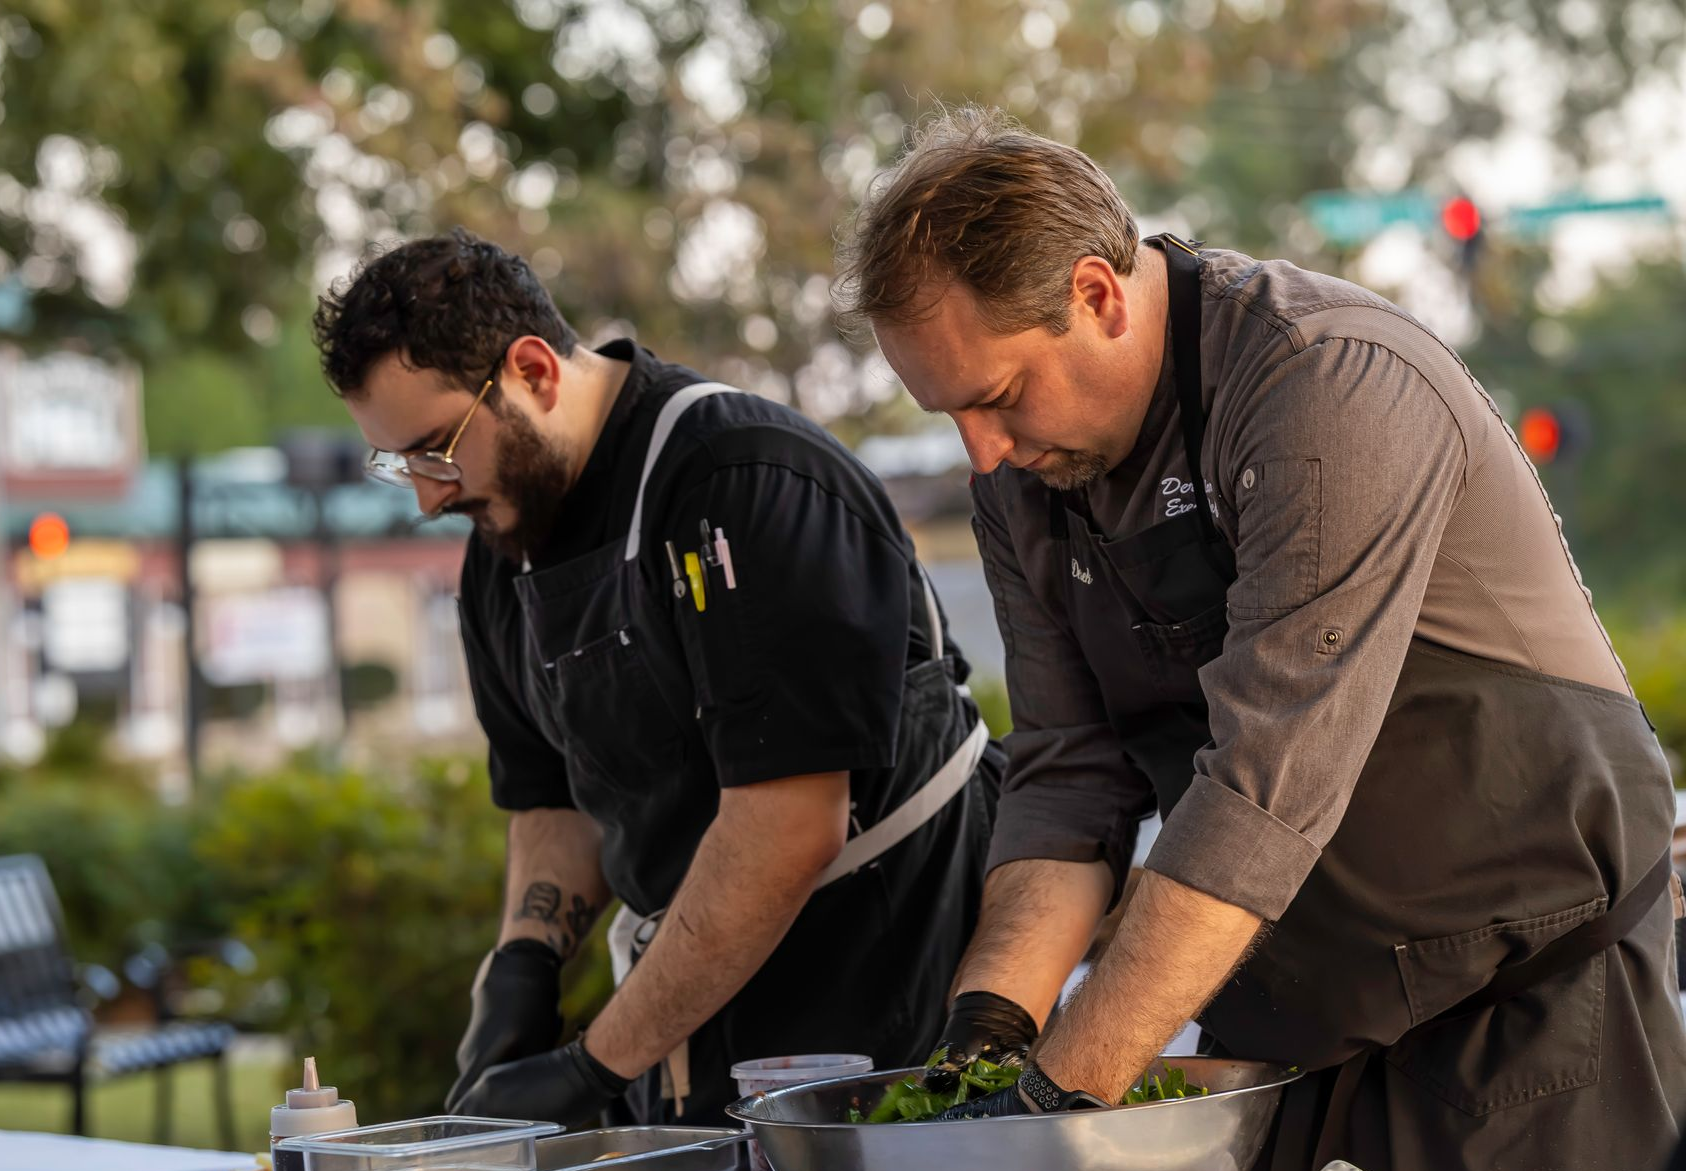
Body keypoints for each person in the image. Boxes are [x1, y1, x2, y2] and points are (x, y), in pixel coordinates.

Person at [836, 106, 1686, 1170]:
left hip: (1524, 1007)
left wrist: (1053, 1101)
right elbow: (1067, 776)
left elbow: (1260, 792)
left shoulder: (1323, 383)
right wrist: (987, 1044)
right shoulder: (1025, 480)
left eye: (998, 396)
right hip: (1289, 1021)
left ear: (1096, 295)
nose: (984, 452)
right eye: (947, 414)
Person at [311, 229, 1000, 1127]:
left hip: (886, 1010)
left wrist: (594, 1064)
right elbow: (556, 795)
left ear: (533, 370)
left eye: (437, 446)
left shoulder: (747, 483)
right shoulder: (501, 555)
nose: (427, 495)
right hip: (688, 1023)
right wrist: (525, 961)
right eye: (399, 461)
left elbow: (787, 826)